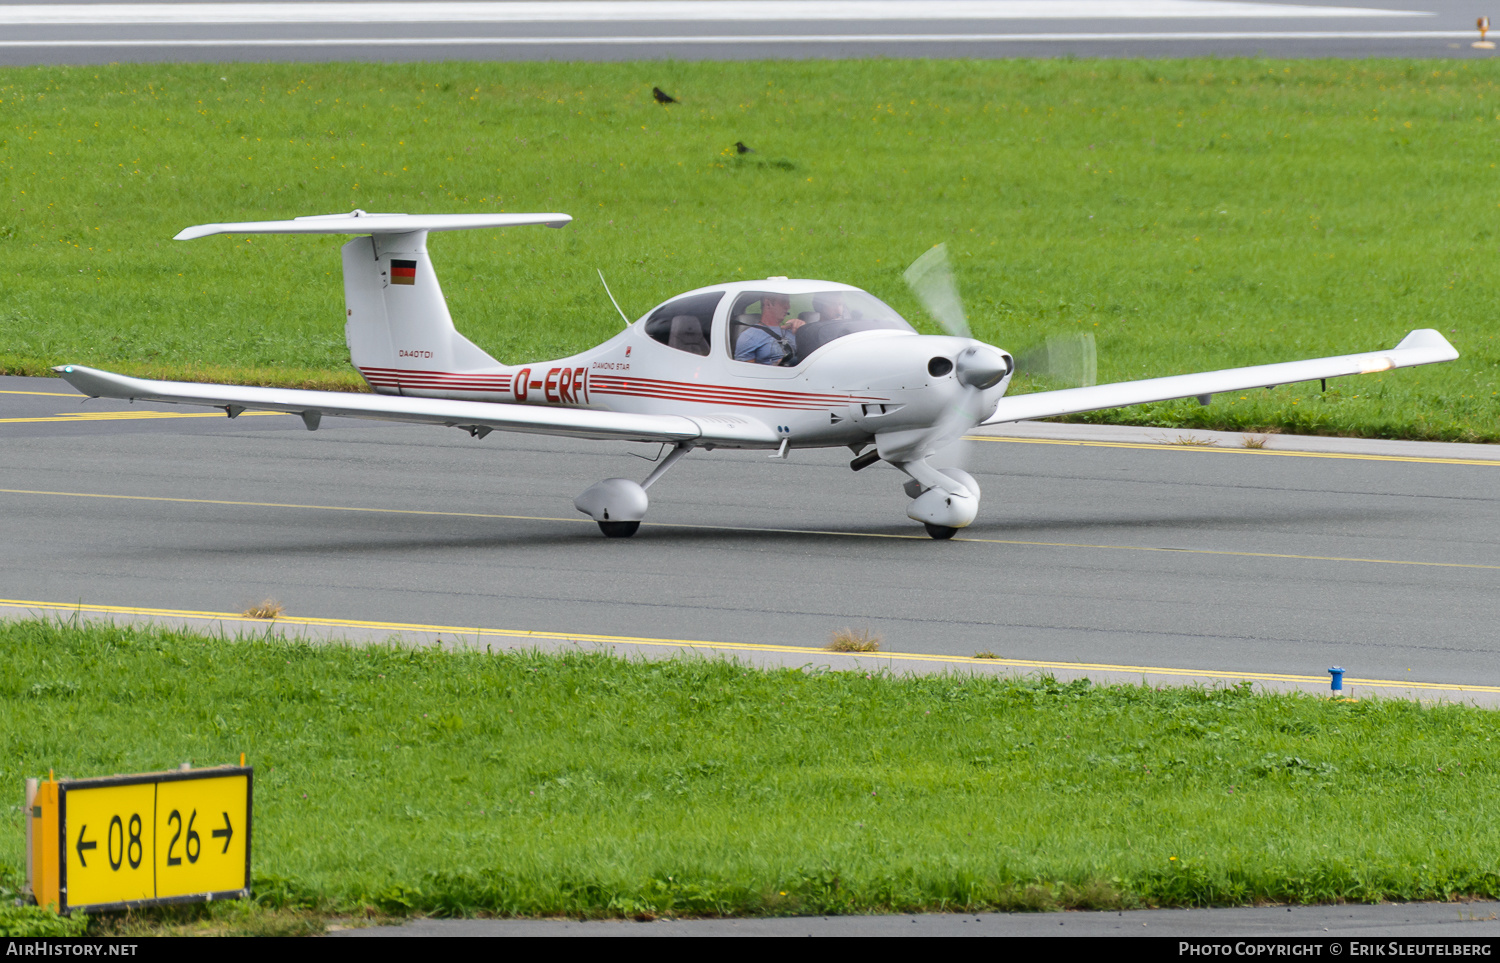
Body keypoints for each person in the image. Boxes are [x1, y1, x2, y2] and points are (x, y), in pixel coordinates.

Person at [734, 293, 803, 364]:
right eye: (783, 302)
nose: (788, 307)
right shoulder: (748, 337)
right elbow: (745, 371)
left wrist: (804, 330)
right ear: (768, 304)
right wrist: (777, 365)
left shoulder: (792, 331)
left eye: (788, 303)